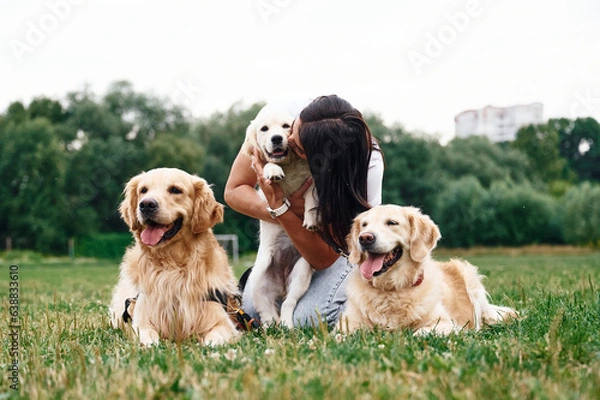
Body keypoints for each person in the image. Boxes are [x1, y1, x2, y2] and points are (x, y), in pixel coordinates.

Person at [224, 95, 384, 327]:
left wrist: (283, 209)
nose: (286, 141)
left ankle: (364, 296)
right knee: (253, 311)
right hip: (283, 242)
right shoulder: (278, 115)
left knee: (307, 319)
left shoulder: (368, 165)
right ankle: (278, 276)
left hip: (337, 251)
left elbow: (324, 257)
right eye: (294, 131)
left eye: (300, 148)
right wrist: (276, 208)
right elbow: (234, 190)